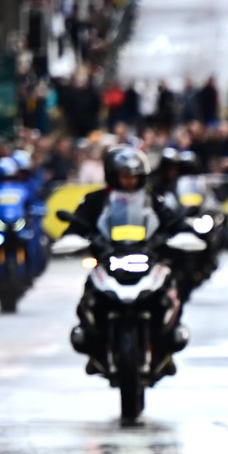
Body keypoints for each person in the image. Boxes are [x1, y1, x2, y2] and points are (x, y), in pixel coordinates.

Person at [65, 147, 192, 376]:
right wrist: (73, 235)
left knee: (169, 292)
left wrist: (184, 233)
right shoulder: (97, 199)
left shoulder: (154, 199)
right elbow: (79, 222)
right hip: (109, 259)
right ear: (113, 176)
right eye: (125, 175)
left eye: (134, 175)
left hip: (147, 259)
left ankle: (165, 348)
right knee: (90, 296)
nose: (130, 180)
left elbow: (174, 221)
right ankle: (94, 344)